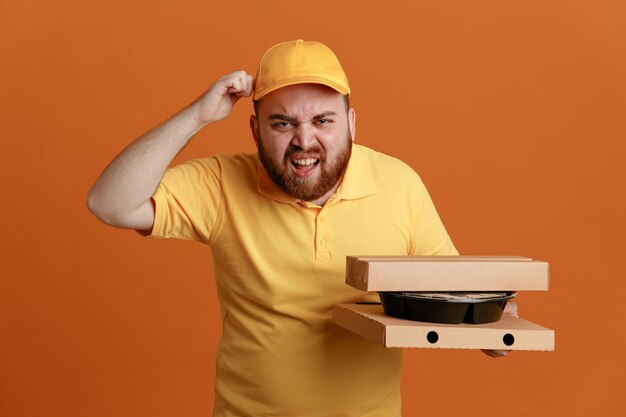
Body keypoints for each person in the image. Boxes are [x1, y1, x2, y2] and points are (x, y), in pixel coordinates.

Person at [87, 39, 509, 417]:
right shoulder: (221, 183)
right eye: (282, 123)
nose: (304, 141)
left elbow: (456, 294)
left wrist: (494, 323)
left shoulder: (399, 183)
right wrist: (197, 117)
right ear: (255, 130)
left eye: (323, 121)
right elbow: (109, 204)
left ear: (352, 124)